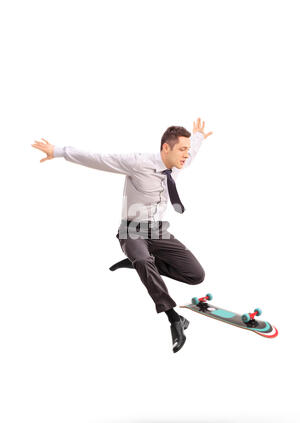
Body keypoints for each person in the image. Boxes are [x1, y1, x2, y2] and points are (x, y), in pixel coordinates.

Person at [31, 117, 213, 353]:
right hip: (131, 230)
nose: (186, 155)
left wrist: (196, 138)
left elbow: (193, 151)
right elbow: (98, 159)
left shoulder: (178, 163)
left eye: (187, 150)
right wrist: (57, 151)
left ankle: (138, 263)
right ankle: (173, 318)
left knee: (195, 275)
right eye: (182, 149)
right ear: (165, 148)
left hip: (158, 231)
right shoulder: (137, 162)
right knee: (144, 260)